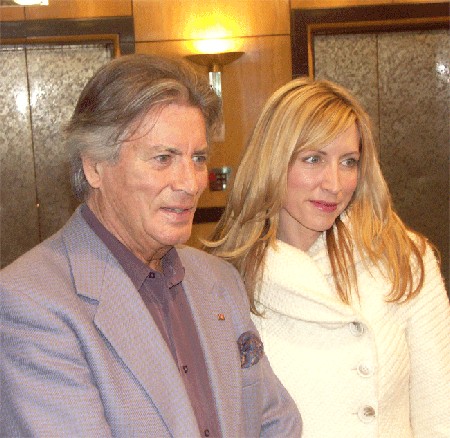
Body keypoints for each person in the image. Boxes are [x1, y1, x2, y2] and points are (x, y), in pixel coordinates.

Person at [0, 54, 302, 437]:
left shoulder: (218, 279)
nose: (191, 183)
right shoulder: (31, 302)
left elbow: (277, 422)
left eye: (198, 158)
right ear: (94, 167)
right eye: (163, 158)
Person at [204, 77, 450, 438]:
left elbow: (441, 415)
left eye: (349, 162)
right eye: (313, 159)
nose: (334, 184)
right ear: (273, 162)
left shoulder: (401, 259)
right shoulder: (225, 277)